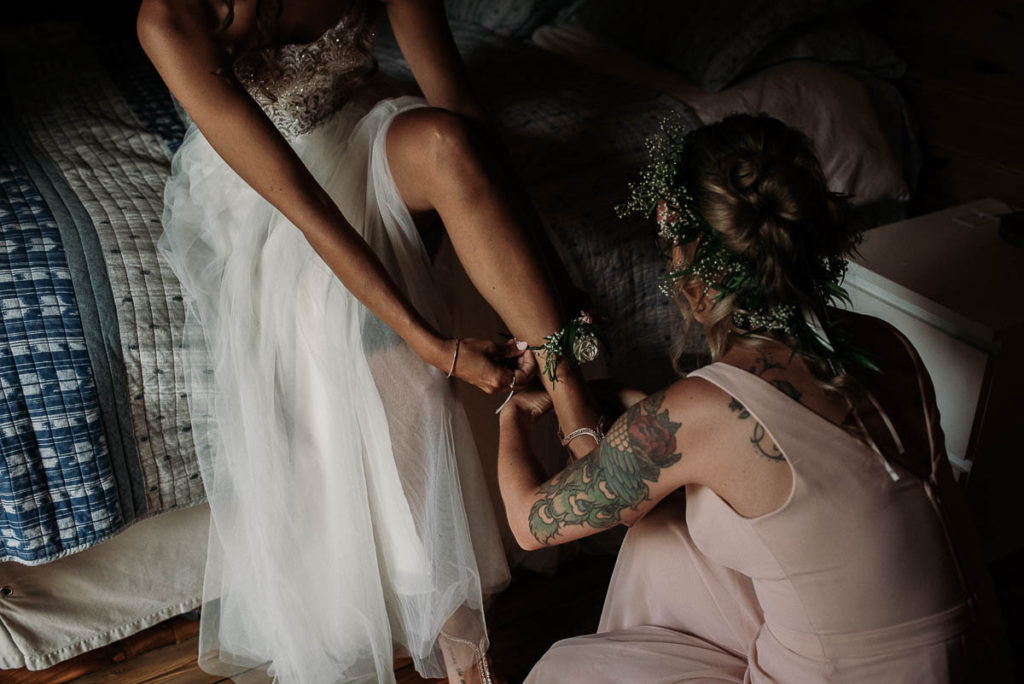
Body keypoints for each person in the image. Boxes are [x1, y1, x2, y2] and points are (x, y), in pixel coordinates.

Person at [136, 1, 604, 682]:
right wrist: (432, 345)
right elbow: (304, 205)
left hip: (366, 126)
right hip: (272, 194)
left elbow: (465, 113)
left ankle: (582, 430)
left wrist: (556, 282)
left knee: (449, 144)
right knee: (403, 380)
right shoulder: (169, 18)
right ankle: (467, 656)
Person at [497, 114, 1008, 682]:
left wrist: (510, 416)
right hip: (973, 654)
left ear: (694, 279)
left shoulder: (705, 411)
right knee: (665, 539)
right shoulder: (888, 342)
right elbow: (768, 453)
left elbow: (527, 522)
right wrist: (637, 414)